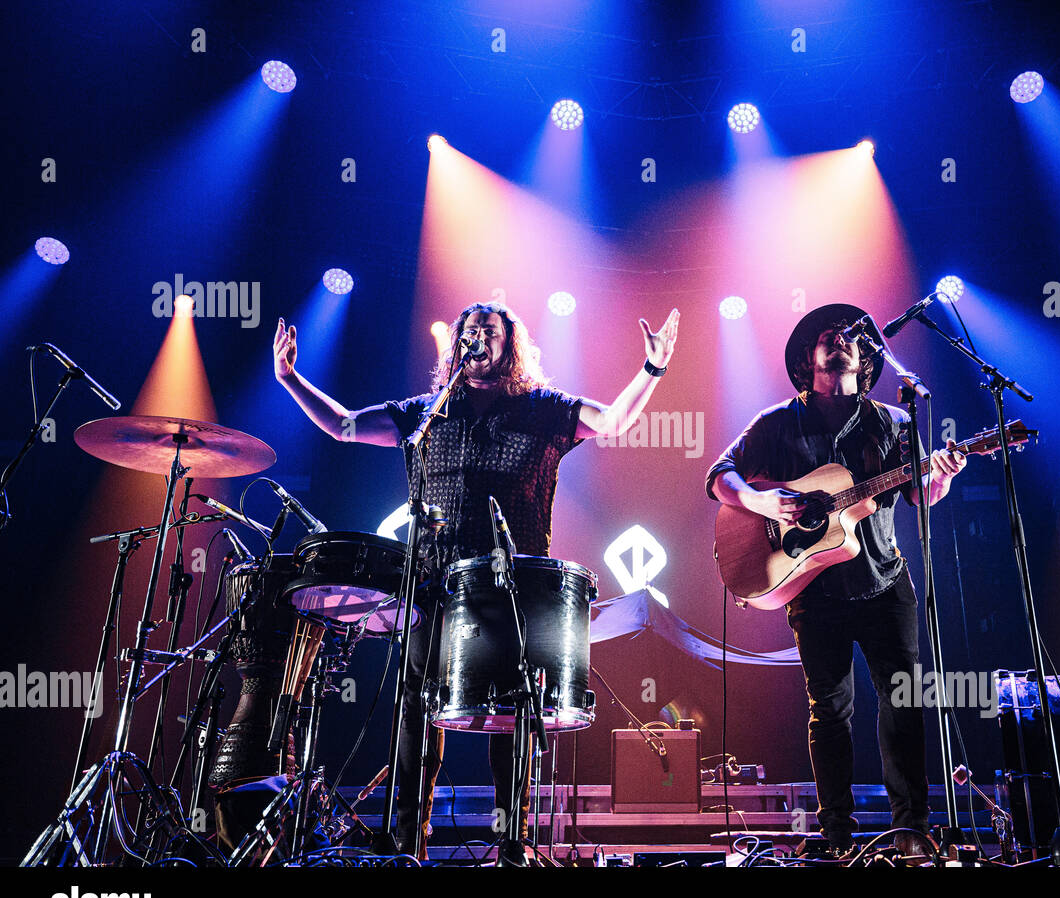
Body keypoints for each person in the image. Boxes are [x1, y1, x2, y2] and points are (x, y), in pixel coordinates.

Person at [274, 301, 680, 856]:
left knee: (512, 709)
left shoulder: (542, 410)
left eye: (490, 331)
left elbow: (612, 421)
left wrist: (651, 370)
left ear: (511, 344)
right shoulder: (428, 413)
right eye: (471, 331)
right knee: (417, 705)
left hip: (508, 585)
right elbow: (344, 426)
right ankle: (407, 839)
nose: (479, 339)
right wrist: (291, 379)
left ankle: (511, 840)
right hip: (431, 581)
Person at [705, 303, 966, 856]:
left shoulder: (893, 421)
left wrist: (939, 476)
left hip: (884, 581)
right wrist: (760, 501)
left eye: (848, 337)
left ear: (865, 356)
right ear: (808, 359)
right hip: (814, 589)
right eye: (826, 338)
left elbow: (920, 495)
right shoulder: (776, 423)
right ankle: (835, 837)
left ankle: (912, 831)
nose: (839, 341)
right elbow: (718, 476)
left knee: (904, 704)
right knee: (831, 711)